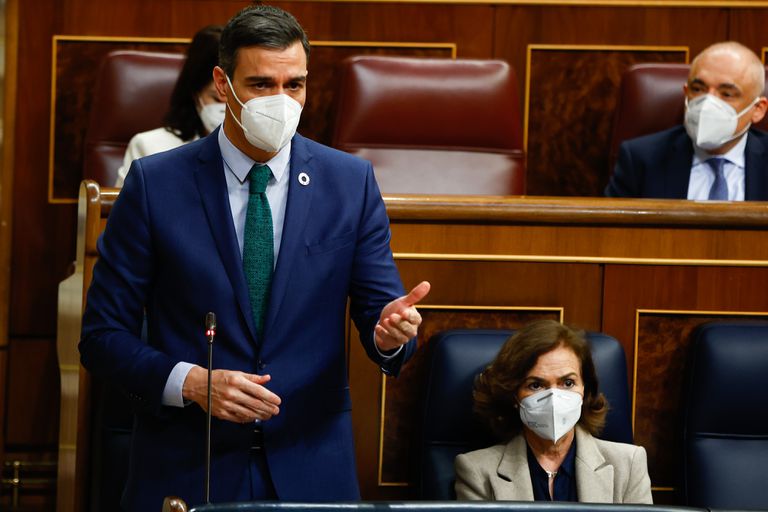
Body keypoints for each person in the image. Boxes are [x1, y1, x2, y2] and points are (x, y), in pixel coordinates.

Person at [79, 5, 430, 511]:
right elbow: (101, 338)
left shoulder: (348, 184)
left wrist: (389, 335)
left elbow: (382, 316)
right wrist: (194, 382)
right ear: (223, 84)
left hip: (311, 470)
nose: (281, 101)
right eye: (262, 84)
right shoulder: (155, 185)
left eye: (296, 85)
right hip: (188, 465)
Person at [455, 320, 652, 503]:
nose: (553, 398)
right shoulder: (477, 471)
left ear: (585, 390)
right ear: (514, 396)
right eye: (535, 385)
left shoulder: (628, 464)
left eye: (567, 383)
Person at [605, 41, 768, 200]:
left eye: (726, 94)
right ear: (686, 93)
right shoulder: (641, 159)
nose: (707, 103)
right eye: (697, 89)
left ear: (758, 109)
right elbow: (612, 226)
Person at [114, 25, 225, 186]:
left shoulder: (261, 155)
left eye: (233, 99)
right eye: (216, 98)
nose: (227, 109)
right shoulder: (150, 148)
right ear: (195, 94)